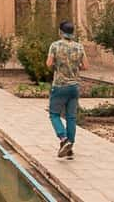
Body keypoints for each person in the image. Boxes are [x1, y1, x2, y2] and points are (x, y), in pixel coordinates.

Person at [46, 21, 89, 159]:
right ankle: (69, 148)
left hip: (60, 85)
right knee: (71, 117)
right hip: (74, 86)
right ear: (73, 32)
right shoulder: (79, 47)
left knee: (54, 114)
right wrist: (74, 66)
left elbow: (49, 64)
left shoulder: (55, 45)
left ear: (60, 32)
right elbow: (86, 66)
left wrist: (60, 65)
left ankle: (63, 138)